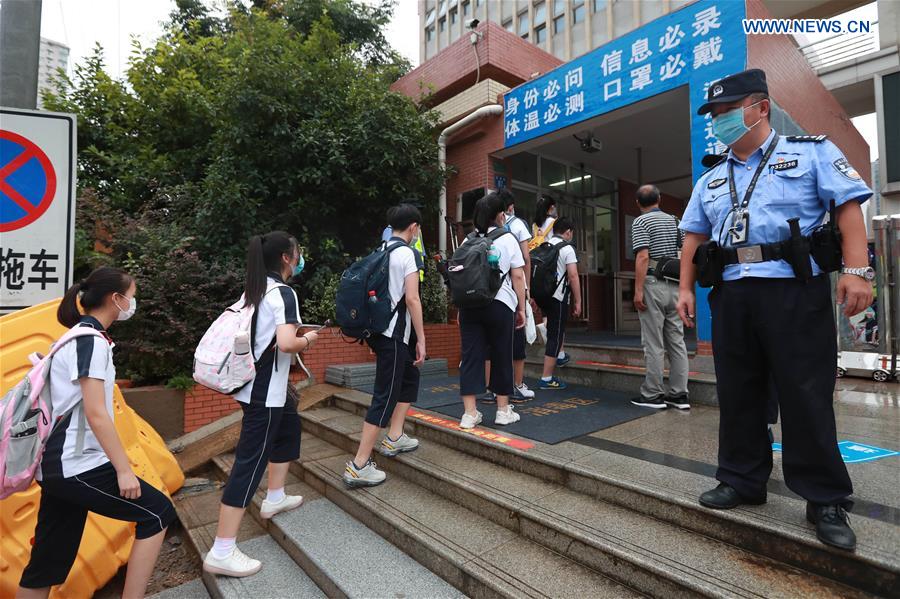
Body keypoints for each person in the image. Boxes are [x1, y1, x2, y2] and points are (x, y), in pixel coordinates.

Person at [677, 68, 873, 551]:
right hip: (732, 293)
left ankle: (824, 497)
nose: (719, 120)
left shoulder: (809, 153)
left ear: (760, 108)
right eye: (715, 114)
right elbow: (693, 236)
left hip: (793, 289)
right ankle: (742, 478)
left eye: (728, 111)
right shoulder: (711, 177)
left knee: (805, 392)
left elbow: (848, 207)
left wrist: (857, 271)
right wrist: (685, 289)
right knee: (738, 391)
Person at [18, 267, 176, 599]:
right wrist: (123, 470)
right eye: (131, 297)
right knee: (157, 512)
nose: (132, 303)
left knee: (47, 562)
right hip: (75, 464)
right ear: (115, 299)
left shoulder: (74, 337)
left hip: (57, 465)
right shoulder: (90, 342)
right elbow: (96, 412)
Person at [204, 231, 317, 577]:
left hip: (259, 388)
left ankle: (276, 496)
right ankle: (222, 549)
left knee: (289, 427)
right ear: (286, 258)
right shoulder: (283, 292)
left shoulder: (255, 290)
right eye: (297, 253)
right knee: (250, 463)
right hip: (264, 392)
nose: (299, 258)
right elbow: (286, 343)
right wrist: (308, 339)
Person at [343, 204, 426, 487]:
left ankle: (395, 436)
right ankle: (359, 465)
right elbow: (412, 299)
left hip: (383, 333)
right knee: (384, 395)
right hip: (394, 336)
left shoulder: (380, 251)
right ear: (413, 227)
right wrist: (422, 339)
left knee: (410, 378)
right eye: (418, 229)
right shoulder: (408, 254)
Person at [459, 193, 528, 429]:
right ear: (500, 215)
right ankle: (502, 410)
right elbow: (517, 275)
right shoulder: (507, 239)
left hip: (469, 306)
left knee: (470, 356)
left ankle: (469, 413)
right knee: (501, 354)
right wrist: (521, 308)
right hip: (500, 304)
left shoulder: (467, 241)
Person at [630, 184, 690, 410]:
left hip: (652, 284)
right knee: (677, 341)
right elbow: (685, 252)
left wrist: (638, 290)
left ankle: (653, 394)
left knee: (653, 341)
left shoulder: (640, 222)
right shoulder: (675, 221)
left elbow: (643, 257)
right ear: (659, 199)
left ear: (638, 203)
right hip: (675, 285)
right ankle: (679, 394)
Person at [477, 189, 536, 404]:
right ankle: (515, 387)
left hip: (478, 298)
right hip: (505, 297)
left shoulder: (474, 236)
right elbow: (523, 263)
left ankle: (489, 390)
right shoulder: (515, 228)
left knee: (487, 347)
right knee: (512, 345)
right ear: (505, 209)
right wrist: (525, 296)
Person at [537, 217, 581, 390]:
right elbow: (573, 276)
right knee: (555, 335)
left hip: (543, 296)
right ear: (568, 232)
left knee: (555, 329)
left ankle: (560, 355)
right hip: (558, 297)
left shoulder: (545, 246)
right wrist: (578, 301)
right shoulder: (567, 248)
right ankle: (546, 378)